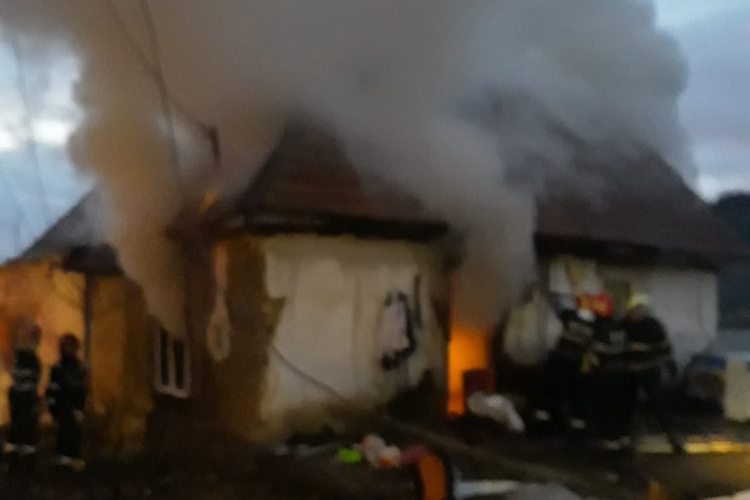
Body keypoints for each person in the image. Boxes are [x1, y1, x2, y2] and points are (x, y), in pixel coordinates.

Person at [621, 294, 683, 454]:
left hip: (649, 371)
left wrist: (672, 370)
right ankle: (626, 441)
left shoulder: (654, 326)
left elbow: (665, 350)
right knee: (626, 406)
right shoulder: (623, 325)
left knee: (659, 404)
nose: (633, 313)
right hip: (629, 373)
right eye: (632, 310)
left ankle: (673, 438)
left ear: (644, 310)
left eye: (637, 310)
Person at [528, 294, 596, 437]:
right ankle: (569, 430)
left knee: (551, 394)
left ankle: (544, 426)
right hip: (573, 364)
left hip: (561, 361)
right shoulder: (592, 325)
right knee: (571, 397)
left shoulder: (569, 316)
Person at [589, 296, 634, 451]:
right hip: (624, 374)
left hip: (607, 375)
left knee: (607, 407)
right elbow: (628, 350)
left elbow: (596, 356)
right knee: (621, 407)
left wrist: (593, 372)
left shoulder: (600, 329)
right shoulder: (621, 326)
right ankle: (623, 437)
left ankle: (610, 438)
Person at [3, 317, 42, 471]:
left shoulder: (27, 359)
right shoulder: (23, 358)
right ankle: (19, 461)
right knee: (20, 429)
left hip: (24, 397)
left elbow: (25, 377)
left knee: (23, 429)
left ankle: (20, 461)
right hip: (22, 397)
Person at [46, 334, 88, 469]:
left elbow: (82, 390)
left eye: (71, 346)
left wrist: (80, 407)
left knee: (74, 433)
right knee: (63, 433)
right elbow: (52, 389)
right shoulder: (58, 368)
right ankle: (63, 460)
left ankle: (72, 458)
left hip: (73, 408)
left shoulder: (79, 368)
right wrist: (53, 408)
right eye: (67, 346)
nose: (69, 349)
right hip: (62, 408)